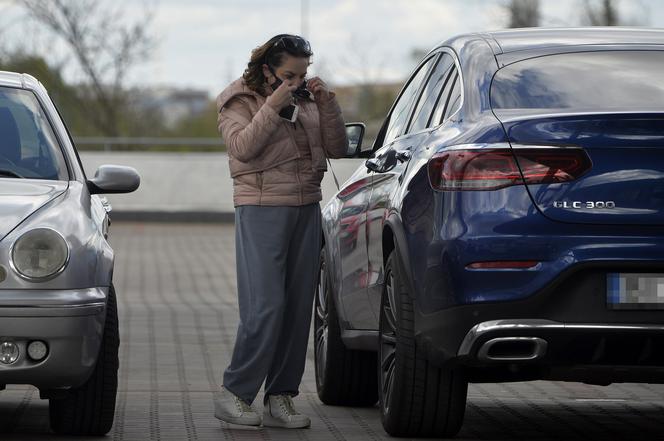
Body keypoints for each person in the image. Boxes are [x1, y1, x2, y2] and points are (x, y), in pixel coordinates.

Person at [213, 34, 348, 429]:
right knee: (265, 306)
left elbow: (337, 148)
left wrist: (327, 104)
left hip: (306, 205)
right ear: (268, 68)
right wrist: (273, 104)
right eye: (290, 74)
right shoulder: (238, 99)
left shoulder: (306, 98)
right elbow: (242, 148)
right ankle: (235, 394)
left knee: (296, 308)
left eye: (303, 74)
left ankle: (280, 397)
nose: (297, 81)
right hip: (261, 208)